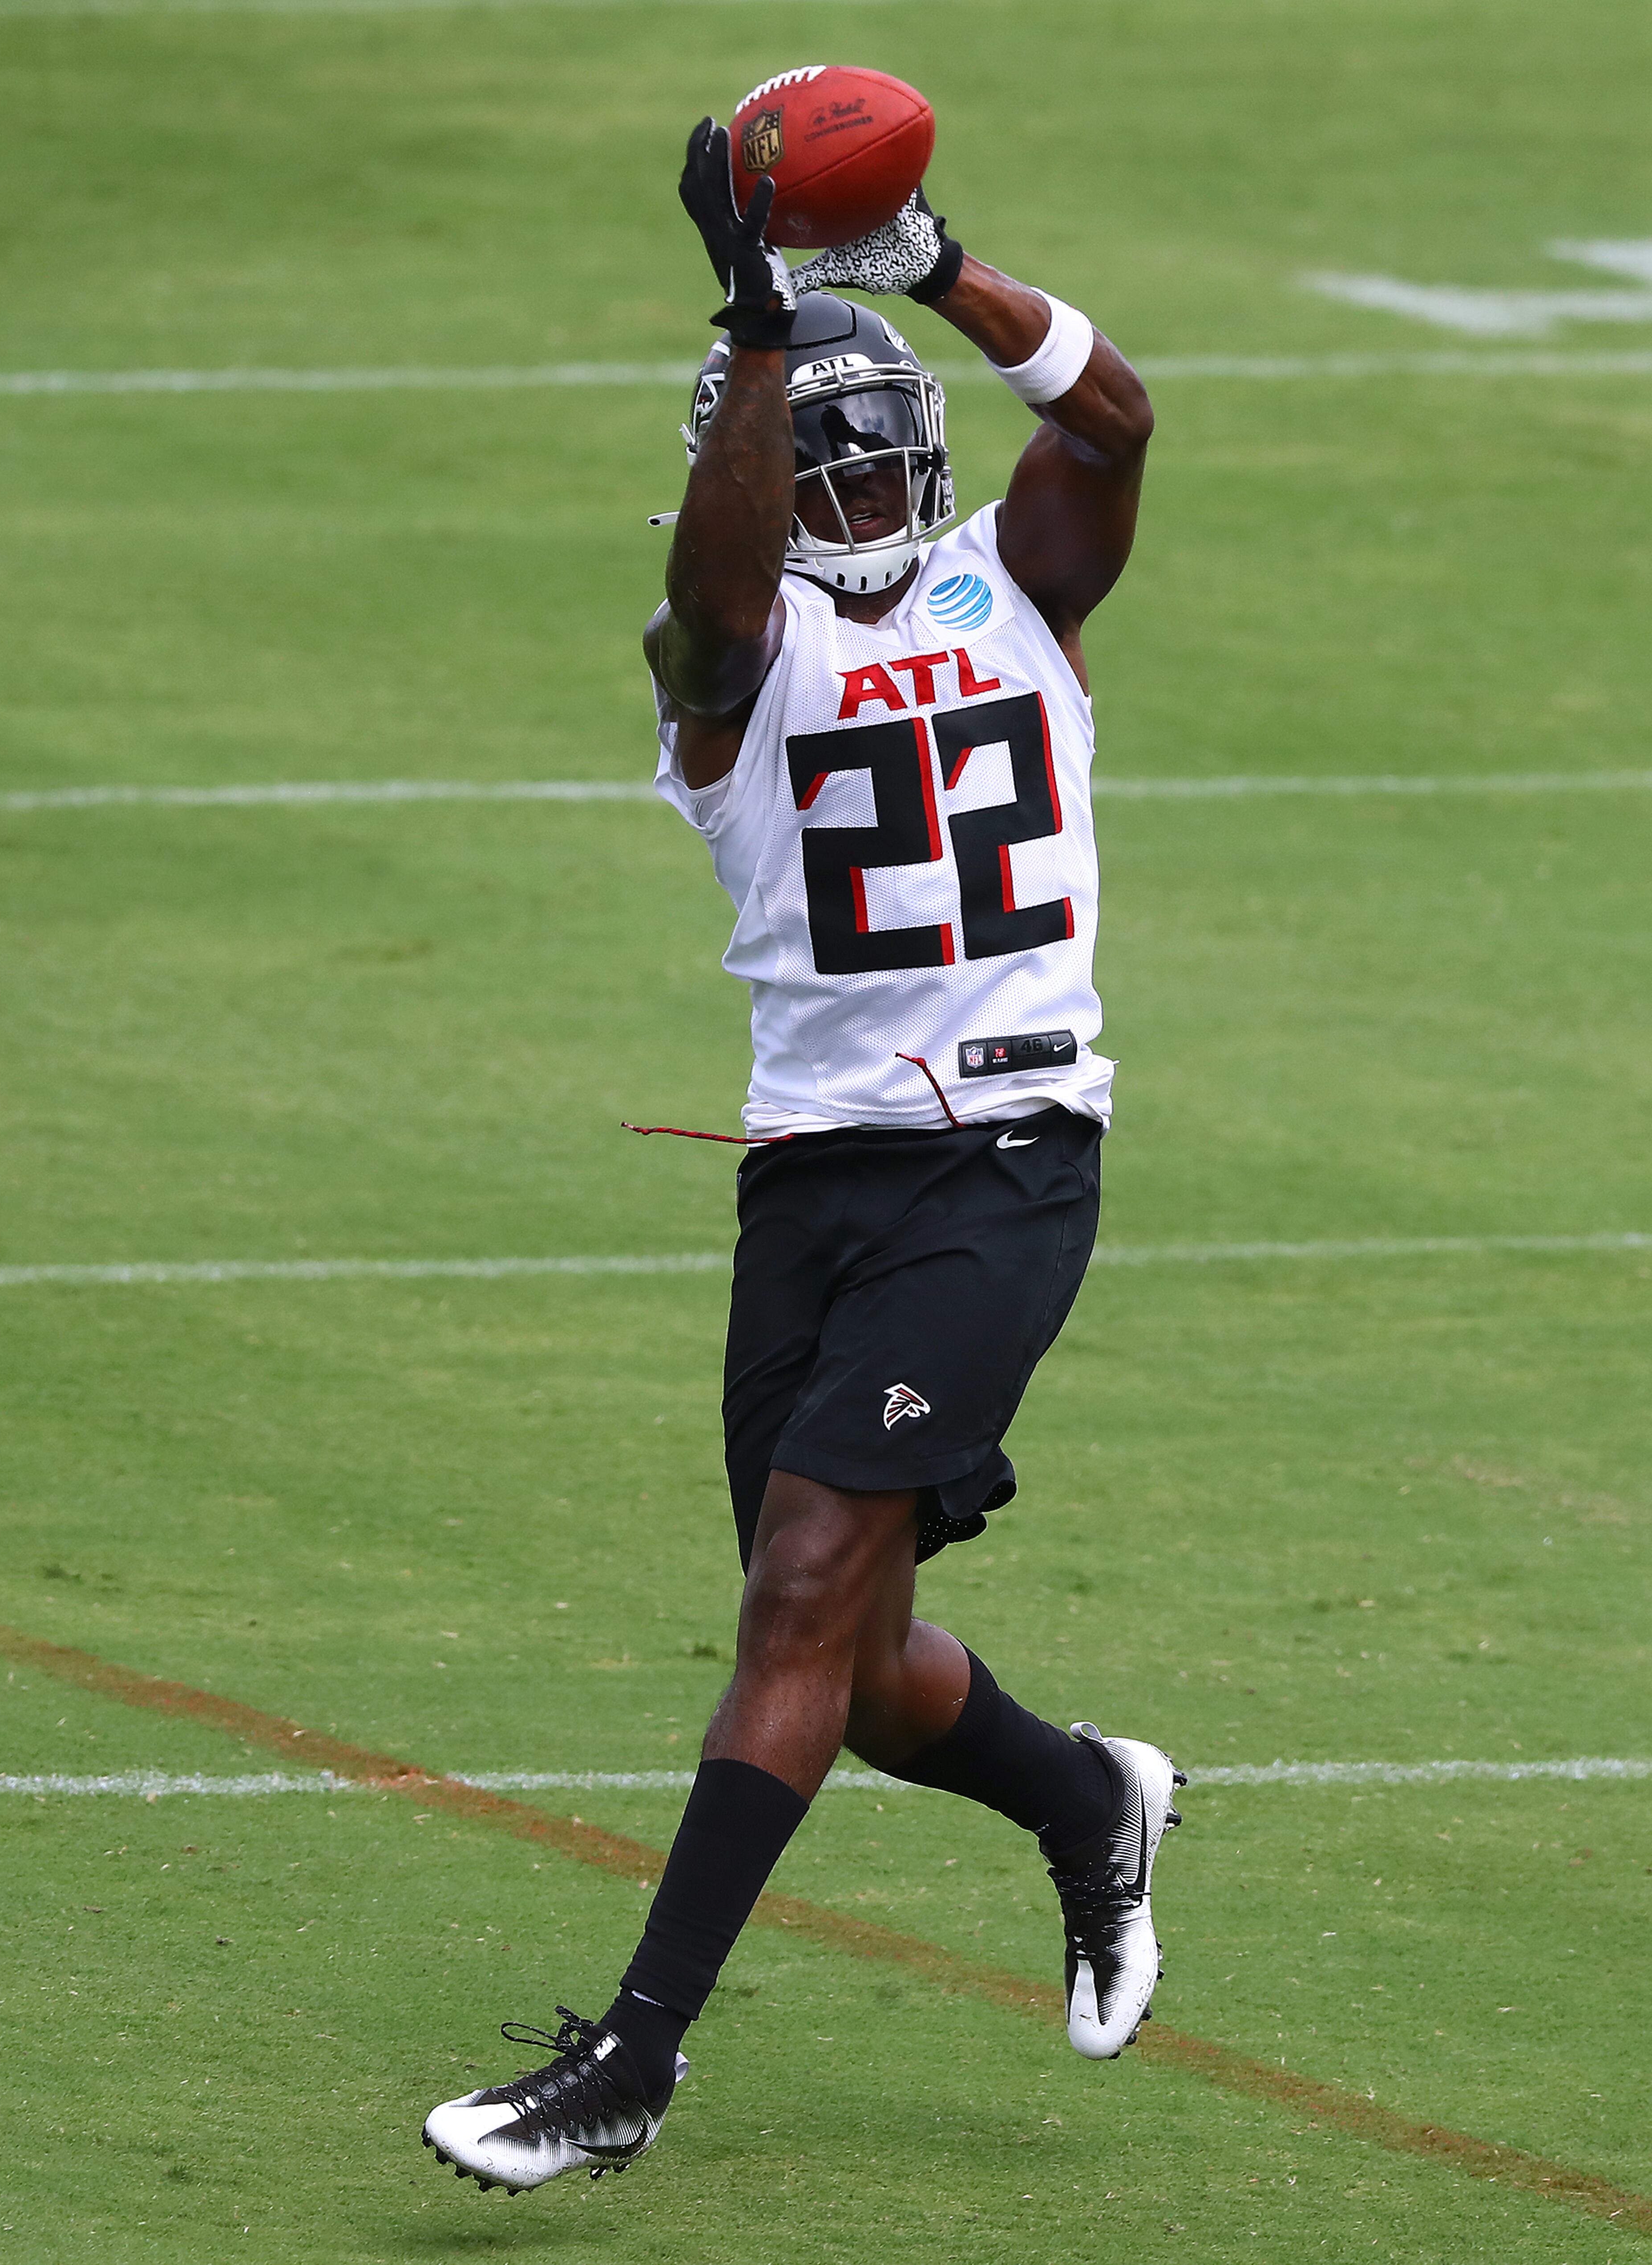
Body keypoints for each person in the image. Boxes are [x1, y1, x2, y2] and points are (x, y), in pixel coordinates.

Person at [424, 114, 1182, 2199]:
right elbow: (717, 591)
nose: (857, 476)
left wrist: (932, 264)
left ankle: (631, 2059)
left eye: (882, 441)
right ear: (749, 471)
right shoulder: (718, 670)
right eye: (808, 449)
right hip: (815, 1169)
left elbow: (1113, 415)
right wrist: (762, 322)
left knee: (795, 1589)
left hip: (1011, 1152)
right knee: (845, 1671)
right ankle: (1084, 1801)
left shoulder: (1027, 580)